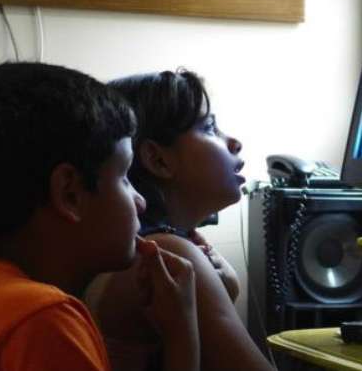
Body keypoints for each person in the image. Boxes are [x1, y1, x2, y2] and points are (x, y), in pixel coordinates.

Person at [0, 62, 199, 371]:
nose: (141, 202)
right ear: (70, 193)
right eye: (125, 177)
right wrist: (183, 330)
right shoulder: (42, 318)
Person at [85, 69, 274, 371]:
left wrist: (224, 289)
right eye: (210, 128)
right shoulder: (168, 255)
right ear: (159, 160)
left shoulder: (139, 249)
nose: (234, 142)